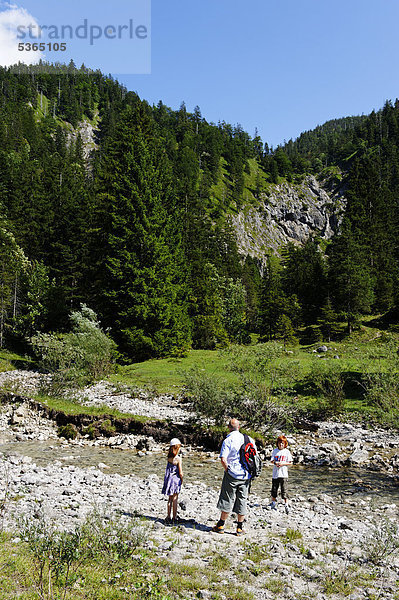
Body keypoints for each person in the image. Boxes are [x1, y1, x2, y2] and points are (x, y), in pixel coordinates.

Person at [212, 418, 255, 536]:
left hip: (232, 474)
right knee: (242, 500)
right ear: (239, 427)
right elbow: (255, 456)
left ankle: (221, 525)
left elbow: (223, 458)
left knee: (227, 498)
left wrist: (228, 470)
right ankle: (239, 528)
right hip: (246, 475)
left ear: (229, 427)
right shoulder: (248, 439)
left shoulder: (228, 440)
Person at [268, 434, 293, 514]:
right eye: (279, 443)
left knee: (284, 489)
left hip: (284, 474)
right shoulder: (275, 451)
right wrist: (275, 463)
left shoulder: (287, 452)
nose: (281, 444)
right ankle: (273, 503)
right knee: (274, 488)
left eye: (282, 443)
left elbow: (290, 462)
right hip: (275, 473)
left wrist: (283, 464)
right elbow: (271, 460)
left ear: (285, 444)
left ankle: (286, 504)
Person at [162, 437, 183, 524]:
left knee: (169, 499)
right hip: (175, 480)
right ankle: (174, 517)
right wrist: (182, 480)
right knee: (175, 498)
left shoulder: (169, 458)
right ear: (177, 448)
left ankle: (168, 516)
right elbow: (181, 472)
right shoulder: (178, 459)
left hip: (169, 480)